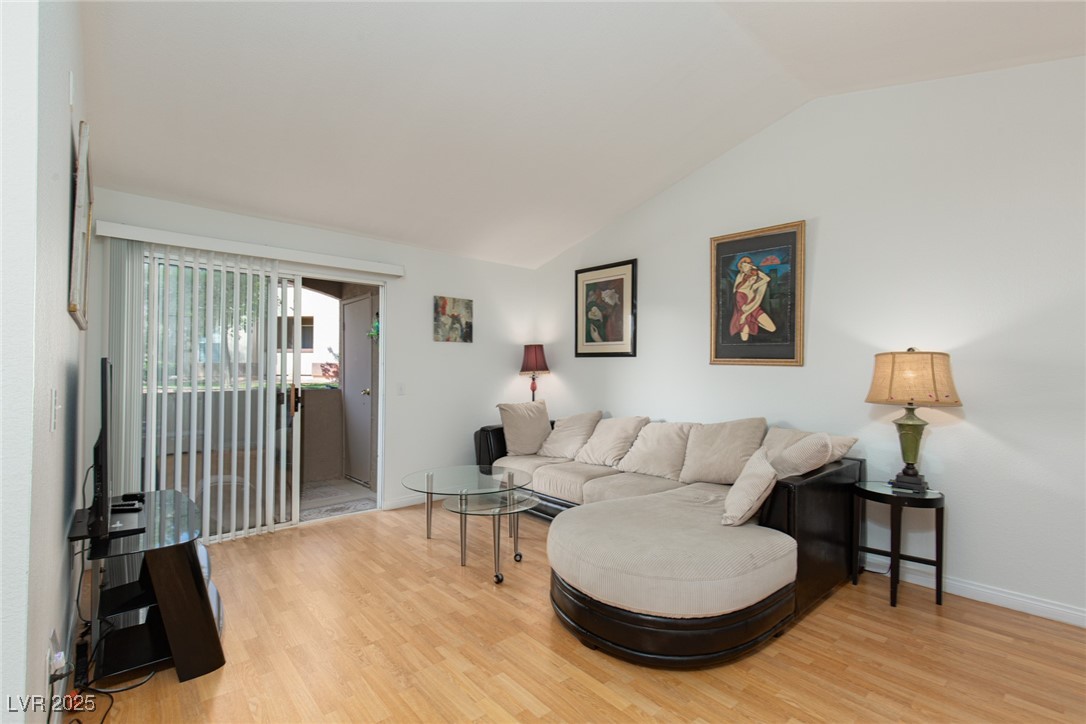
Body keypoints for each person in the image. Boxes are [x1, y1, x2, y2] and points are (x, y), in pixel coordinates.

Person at [729, 256, 776, 341]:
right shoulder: (740, 287)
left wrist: (755, 270)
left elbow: (767, 278)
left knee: (772, 328)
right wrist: (744, 315)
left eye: (754, 279)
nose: (752, 280)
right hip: (742, 311)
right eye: (751, 278)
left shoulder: (755, 286)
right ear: (747, 278)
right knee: (744, 339)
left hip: (753, 310)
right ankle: (750, 320)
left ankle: (754, 320)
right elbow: (744, 308)